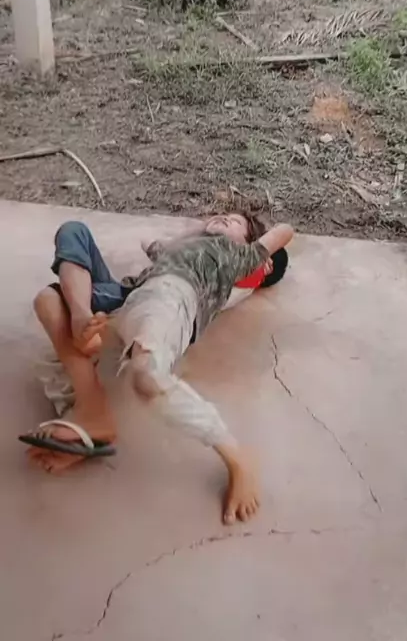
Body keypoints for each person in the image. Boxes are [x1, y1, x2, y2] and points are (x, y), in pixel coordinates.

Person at [20, 214, 293, 525]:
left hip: (170, 297)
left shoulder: (235, 259)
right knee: (65, 252)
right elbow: (151, 243)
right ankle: (89, 394)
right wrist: (201, 228)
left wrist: (264, 248)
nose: (224, 217)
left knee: (147, 375)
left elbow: (285, 231)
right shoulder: (183, 248)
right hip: (127, 295)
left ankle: (238, 457)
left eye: (236, 222)